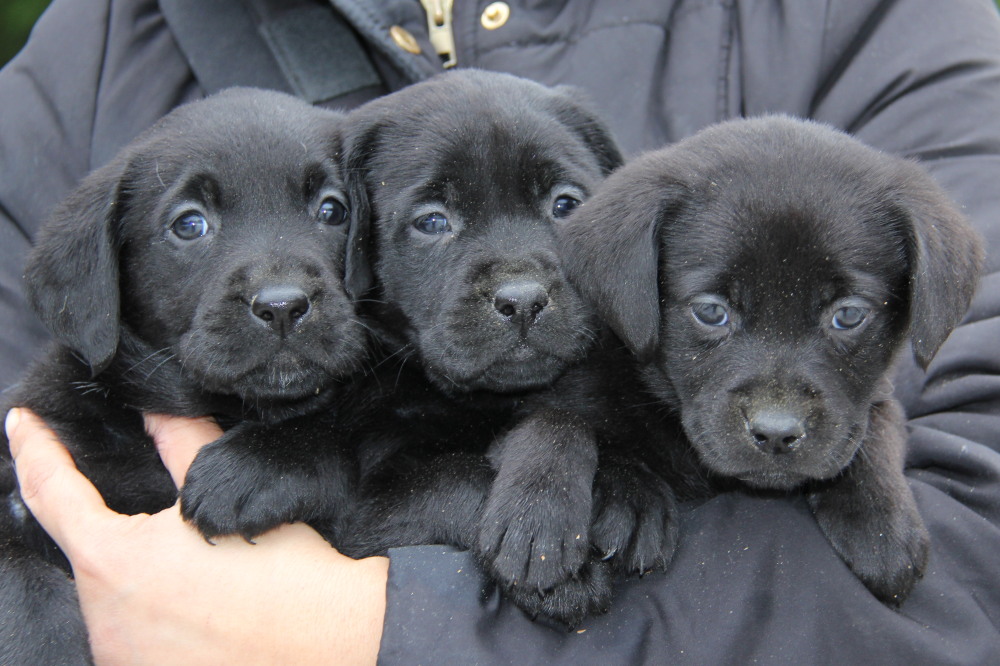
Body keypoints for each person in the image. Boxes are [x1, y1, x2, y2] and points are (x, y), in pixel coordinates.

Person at [3, 0, 1000, 662]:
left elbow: (973, 551)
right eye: (425, 221)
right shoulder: (105, 43)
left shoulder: (870, 22)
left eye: (568, 205)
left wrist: (380, 635)